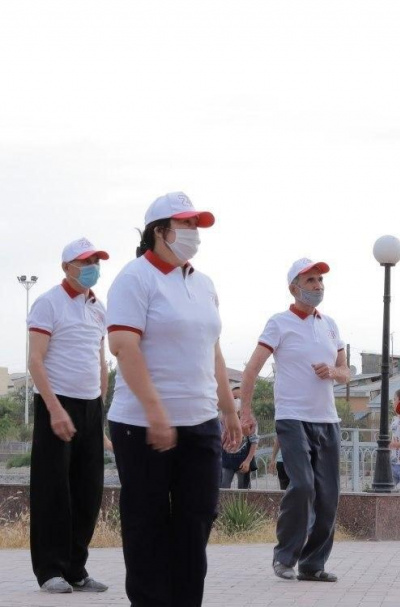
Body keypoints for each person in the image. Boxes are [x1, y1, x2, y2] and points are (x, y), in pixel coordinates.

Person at [106, 192, 242, 607]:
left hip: (199, 422)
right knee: (146, 524)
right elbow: (123, 347)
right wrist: (155, 412)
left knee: (196, 521)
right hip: (141, 424)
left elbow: (213, 351)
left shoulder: (203, 284)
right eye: (185, 225)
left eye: (196, 226)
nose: (193, 233)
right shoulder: (135, 278)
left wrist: (229, 411)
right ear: (158, 231)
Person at [239, 258, 348, 583]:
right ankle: (284, 556)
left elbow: (345, 372)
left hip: (327, 420)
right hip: (292, 417)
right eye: (311, 281)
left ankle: (313, 565)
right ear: (294, 288)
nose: (318, 286)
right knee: (302, 486)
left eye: (320, 281)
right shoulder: (279, 323)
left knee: (328, 495)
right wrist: (246, 411)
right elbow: (251, 369)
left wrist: (334, 372)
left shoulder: (330, 325)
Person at [27, 238, 111, 594]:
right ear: (66, 267)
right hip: (56, 403)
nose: (92, 266)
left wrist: (101, 417)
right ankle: (50, 570)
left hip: (90, 407)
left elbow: (101, 360)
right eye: (85, 261)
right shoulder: (48, 303)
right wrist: (55, 409)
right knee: (53, 490)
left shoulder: (98, 307)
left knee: (88, 490)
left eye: (96, 260)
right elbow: (35, 360)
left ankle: (77, 568)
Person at [220, 387, 259, 489]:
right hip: (226, 459)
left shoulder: (250, 420)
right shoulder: (222, 419)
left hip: (243, 459)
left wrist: (247, 461)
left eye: (237, 398)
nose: (235, 401)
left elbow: (254, 441)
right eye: (232, 398)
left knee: (244, 490)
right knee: (223, 488)